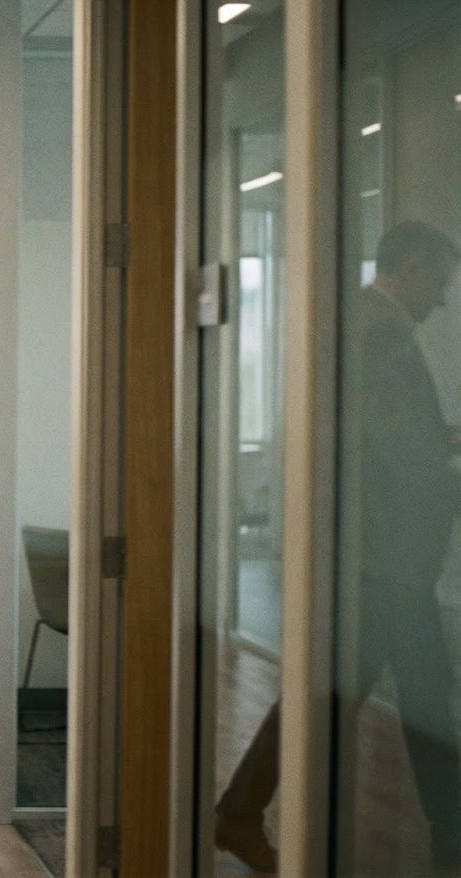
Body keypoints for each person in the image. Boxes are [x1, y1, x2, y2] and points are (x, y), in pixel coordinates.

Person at [214, 221, 461, 872]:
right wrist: (449, 464)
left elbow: (405, 438)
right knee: (420, 700)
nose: (442, 300)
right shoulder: (380, 334)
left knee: (340, 696)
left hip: (370, 557)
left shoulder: (362, 324)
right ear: (407, 268)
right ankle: (451, 840)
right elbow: (406, 452)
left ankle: (238, 812)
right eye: (439, 282)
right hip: (385, 562)